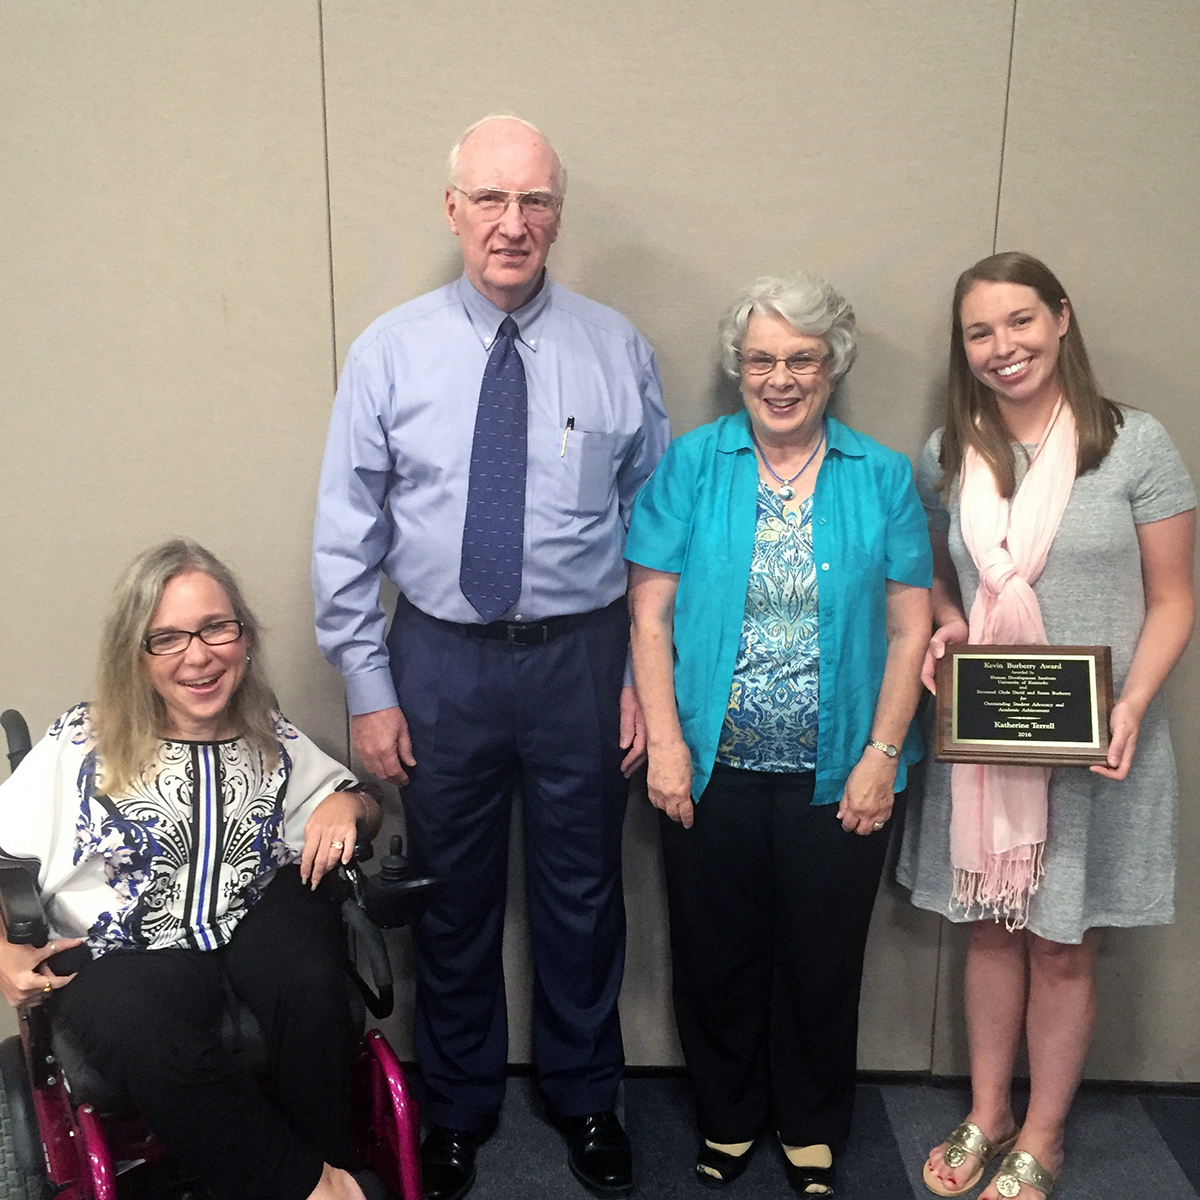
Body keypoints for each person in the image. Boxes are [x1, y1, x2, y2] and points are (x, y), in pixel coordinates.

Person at [312, 114, 669, 1200]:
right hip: (443, 666)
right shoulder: (390, 349)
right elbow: (345, 535)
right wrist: (370, 691)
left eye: (536, 203)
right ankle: (460, 1107)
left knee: (582, 892)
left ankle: (585, 1093)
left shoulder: (617, 347)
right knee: (454, 897)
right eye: (492, 200)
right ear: (454, 210)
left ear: (559, 214)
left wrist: (634, 680)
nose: (514, 225)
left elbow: (653, 530)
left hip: (581, 662)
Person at [625, 272, 932, 1196]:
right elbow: (649, 618)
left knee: (823, 954)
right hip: (712, 766)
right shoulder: (691, 464)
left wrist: (881, 755)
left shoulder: (880, 474)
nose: (781, 377)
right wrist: (669, 745)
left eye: (801, 358)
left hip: (839, 768)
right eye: (762, 358)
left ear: (832, 364)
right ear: (738, 368)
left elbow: (913, 626)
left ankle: (809, 1121)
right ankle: (726, 1115)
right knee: (715, 951)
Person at [897, 252, 1196, 1200]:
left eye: (1020, 321)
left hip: (1101, 744)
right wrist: (946, 621)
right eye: (980, 332)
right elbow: (936, 577)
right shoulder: (952, 452)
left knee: (1065, 942)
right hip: (986, 744)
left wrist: (1136, 702)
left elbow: (1175, 598)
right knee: (989, 929)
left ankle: (1045, 1131)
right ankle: (987, 1114)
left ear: (1062, 319)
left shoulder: (1134, 445)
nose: (1003, 347)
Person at [0, 539, 386, 1200]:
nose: (199, 655)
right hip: (120, 953)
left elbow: (362, 805)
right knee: (142, 1027)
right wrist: (3, 948)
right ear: (135, 653)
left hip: (247, 929)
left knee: (310, 973)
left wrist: (351, 804)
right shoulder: (81, 742)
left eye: (216, 627)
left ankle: (324, 1154)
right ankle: (325, 1188)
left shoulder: (267, 737)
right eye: (167, 638)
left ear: (242, 636)